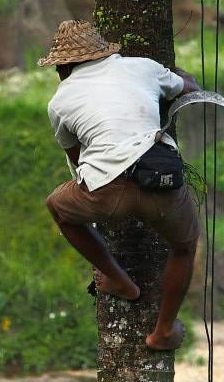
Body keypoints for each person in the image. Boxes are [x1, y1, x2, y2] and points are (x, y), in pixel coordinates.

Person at [39, 19, 201, 351]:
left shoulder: (60, 100)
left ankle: (118, 279)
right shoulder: (142, 67)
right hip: (159, 180)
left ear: (64, 65)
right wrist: (182, 78)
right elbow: (188, 88)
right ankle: (163, 331)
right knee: (184, 246)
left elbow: (76, 156)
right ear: (101, 53)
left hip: (107, 191)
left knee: (58, 206)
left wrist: (90, 189)